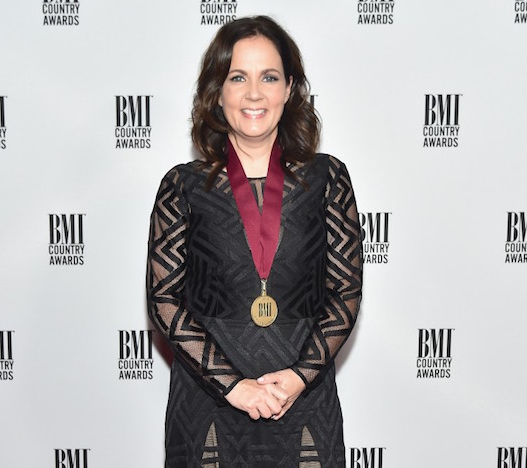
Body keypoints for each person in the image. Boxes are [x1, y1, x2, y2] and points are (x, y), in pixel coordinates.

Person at [146, 15, 362, 467]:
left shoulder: (328, 179)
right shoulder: (182, 186)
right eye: (237, 77)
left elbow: (345, 293)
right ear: (217, 92)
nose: (254, 94)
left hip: (302, 397)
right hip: (210, 401)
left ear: (289, 89)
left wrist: (298, 378)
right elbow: (164, 300)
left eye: (269, 77)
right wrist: (234, 385)